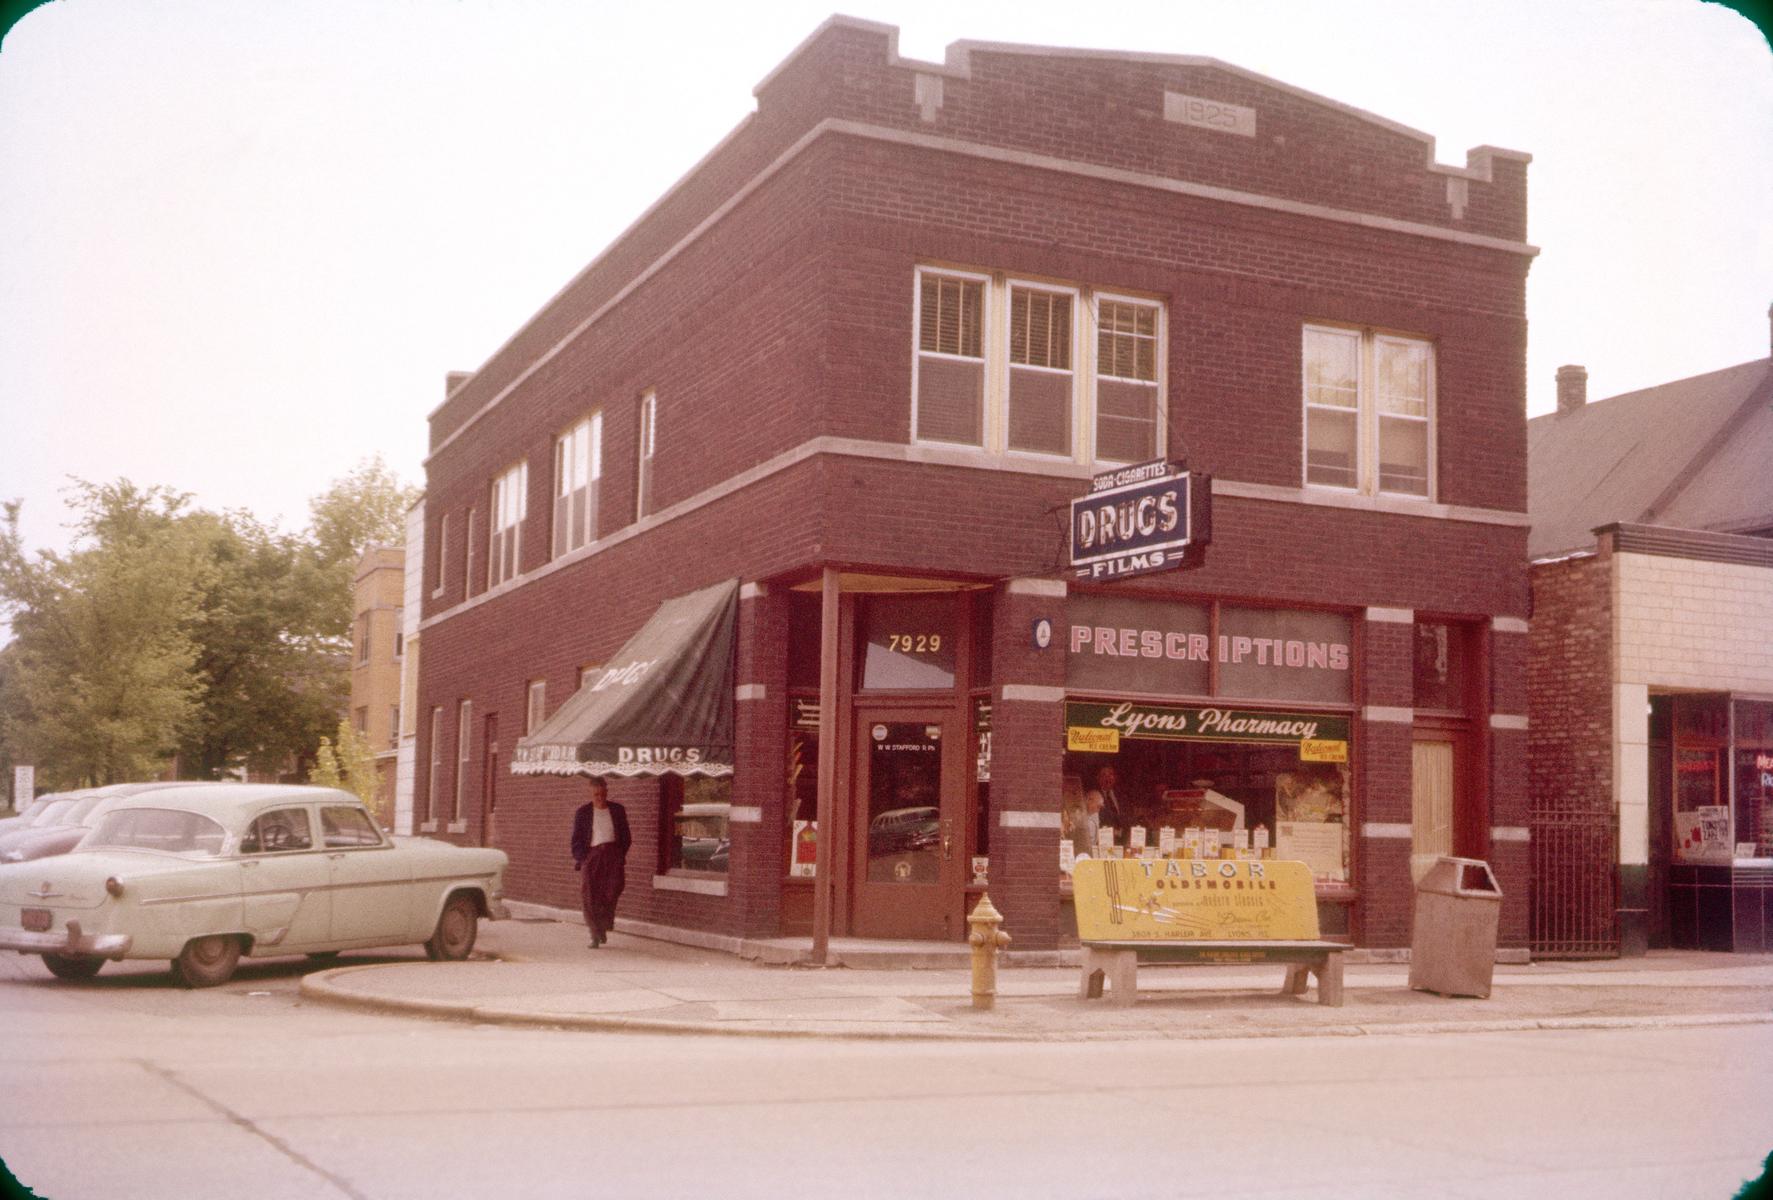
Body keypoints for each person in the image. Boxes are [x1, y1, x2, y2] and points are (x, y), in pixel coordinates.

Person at [570, 777, 631, 948]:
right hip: (593, 855)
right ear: (591, 793)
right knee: (590, 895)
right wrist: (584, 859)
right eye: (596, 794)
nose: (600, 797)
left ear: (607, 792)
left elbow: (626, 836)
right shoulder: (583, 813)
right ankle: (595, 934)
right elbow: (576, 840)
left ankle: (603, 925)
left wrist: (619, 855)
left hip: (613, 855)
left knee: (613, 889)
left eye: (603, 793)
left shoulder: (618, 810)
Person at [1087, 765, 1125, 839]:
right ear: (1098, 778)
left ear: (1115, 777)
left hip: (1122, 841)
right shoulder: (1094, 796)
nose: (1107, 778)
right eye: (1104, 775)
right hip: (1103, 840)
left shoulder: (1122, 796)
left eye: (1110, 774)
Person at [1071, 787, 1104, 858]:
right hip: (1079, 853)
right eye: (1097, 807)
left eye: (1100, 808)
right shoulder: (1077, 812)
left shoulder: (1095, 813)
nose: (1098, 811)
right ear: (1089, 800)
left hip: (1091, 852)